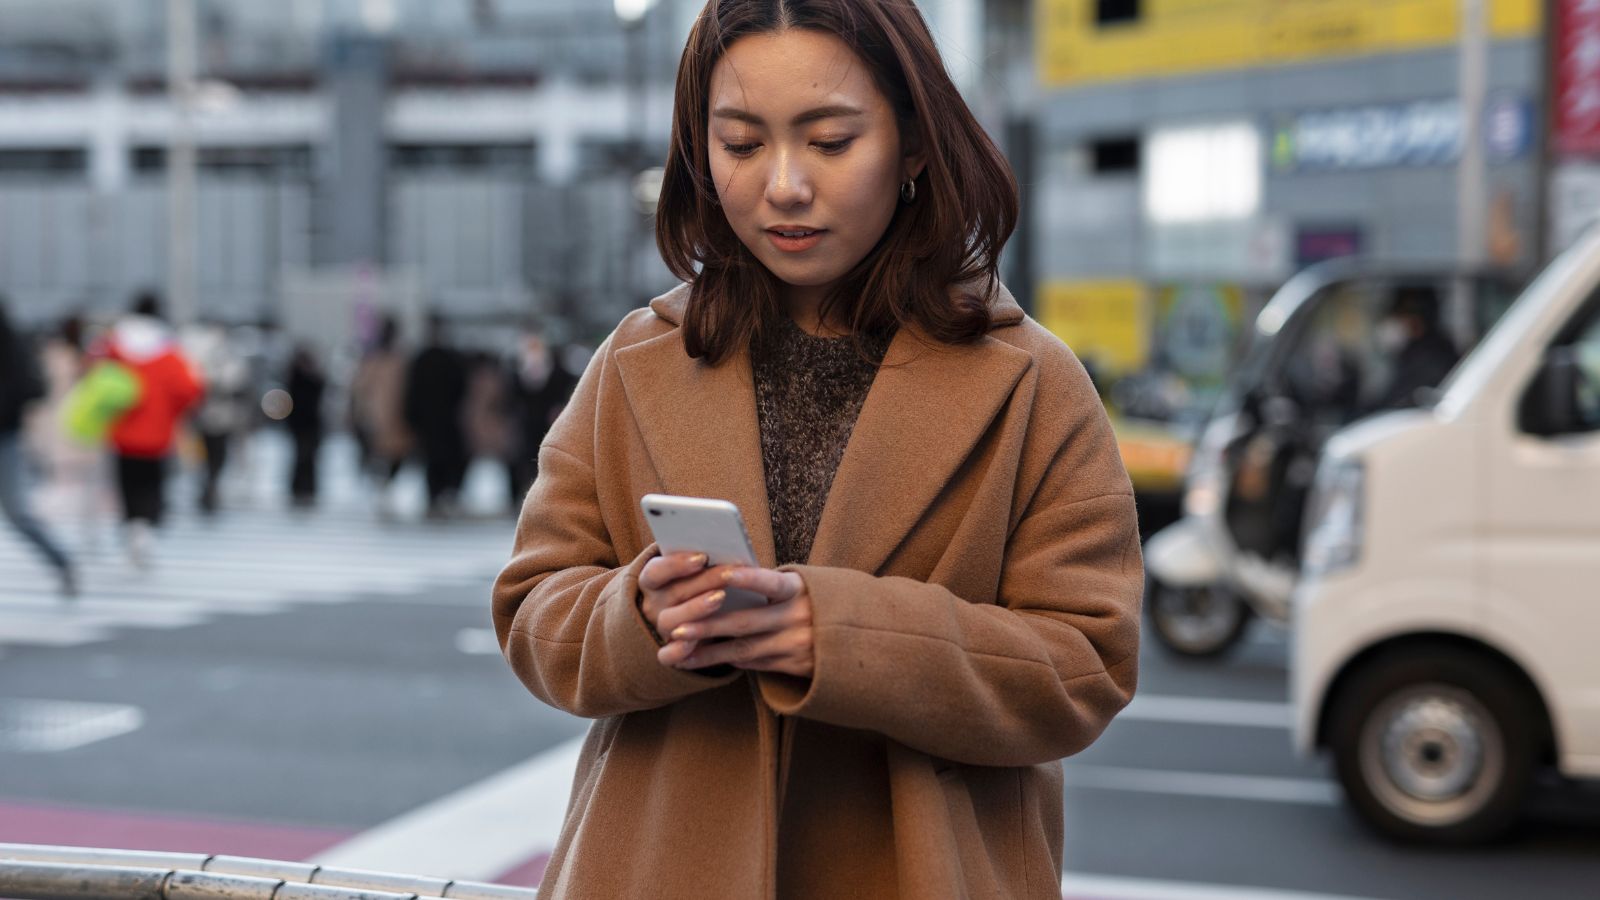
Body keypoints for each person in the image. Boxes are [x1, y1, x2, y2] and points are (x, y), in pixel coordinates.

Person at [491, 3, 1143, 897]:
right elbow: (533, 608)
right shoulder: (637, 361)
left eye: (831, 141)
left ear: (914, 145)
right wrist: (641, 613)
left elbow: (1088, 663)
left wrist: (840, 633)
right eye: (741, 143)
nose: (785, 185)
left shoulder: (1033, 380)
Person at [101, 292, 204, 567]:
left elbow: (95, 379)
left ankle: (131, 526)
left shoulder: (115, 346)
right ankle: (146, 526)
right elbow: (189, 389)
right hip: (158, 432)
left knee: (127, 481)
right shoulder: (168, 351)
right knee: (152, 483)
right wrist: (173, 412)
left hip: (123, 430)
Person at [0, 296, 78, 597]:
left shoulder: (10, 341)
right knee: (18, 512)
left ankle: (61, 561)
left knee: (17, 512)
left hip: (5, 436)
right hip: (9, 433)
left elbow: (32, 387)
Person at [503, 325, 577, 507]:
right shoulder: (516, 371)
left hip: (550, 427)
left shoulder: (557, 369)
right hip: (525, 428)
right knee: (523, 464)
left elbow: (566, 391)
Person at [184, 320, 254, 514]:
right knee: (208, 455)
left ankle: (210, 483)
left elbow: (237, 382)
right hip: (207, 415)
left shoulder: (227, 356)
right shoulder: (202, 355)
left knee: (216, 455)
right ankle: (208, 484)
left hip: (219, 416)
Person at [404, 314, 469, 519]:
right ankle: (439, 495)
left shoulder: (428, 358)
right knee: (438, 458)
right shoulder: (444, 358)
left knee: (437, 458)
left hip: (437, 419)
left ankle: (438, 495)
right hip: (440, 419)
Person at [349, 314, 413, 516]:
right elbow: (360, 388)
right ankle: (378, 483)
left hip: (395, 415)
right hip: (377, 415)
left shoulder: (398, 359)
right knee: (379, 452)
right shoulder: (374, 358)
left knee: (396, 454)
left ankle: (384, 483)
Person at [1371, 284, 1460, 411]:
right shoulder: (1412, 353)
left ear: (1416, 320)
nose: (1391, 323)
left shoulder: (1431, 358)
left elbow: (1398, 405)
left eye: (1398, 316)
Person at [284, 345, 327, 508]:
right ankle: (299, 488)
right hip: (299, 424)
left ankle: (308, 488)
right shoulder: (296, 378)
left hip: (311, 424)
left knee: (310, 458)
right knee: (301, 457)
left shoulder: (313, 379)